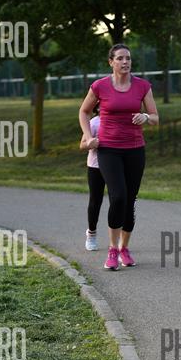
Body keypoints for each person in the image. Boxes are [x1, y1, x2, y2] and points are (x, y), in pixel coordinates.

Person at [78, 43, 159, 270]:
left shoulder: (142, 86)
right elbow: (84, 111)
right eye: (120, 58)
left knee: (130, 200)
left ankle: (124, 248)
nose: (125, 62)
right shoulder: (100, 86)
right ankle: (112, 250)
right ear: (111, 62)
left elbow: (155, 117)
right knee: (119, 197)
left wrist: (145, 117)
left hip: (135, 149)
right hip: (108, 149)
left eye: (128, 58)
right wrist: (88, 137)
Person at [80, 105, 103, 251]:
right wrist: (91, 143)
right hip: (96, 167)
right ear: (98, 108)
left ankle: (119, 237)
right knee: (95, 201)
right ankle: (91, 233)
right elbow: (82, 145)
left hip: (116, 167)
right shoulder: (94, 123)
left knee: (118, 200)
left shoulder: (119, 121)